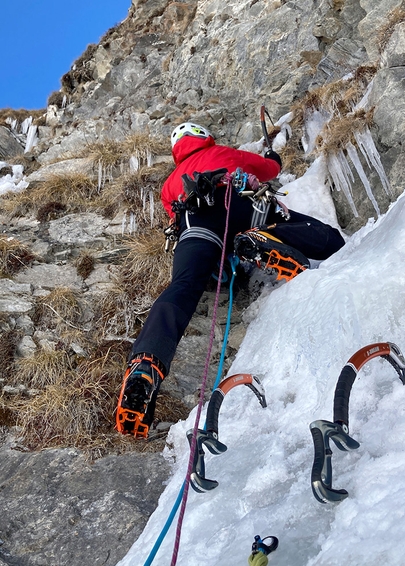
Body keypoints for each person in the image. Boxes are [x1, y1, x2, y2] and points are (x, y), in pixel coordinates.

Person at [116, 122, 345, 438]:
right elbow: (266, 169)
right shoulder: (222, 153)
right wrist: (272, 156)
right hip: (239, 202)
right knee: (325, 237)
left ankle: (145, 367)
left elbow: (172, 213)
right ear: (204, 138)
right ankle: (259, 239)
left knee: (182, 287)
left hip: (193, 221)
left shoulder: (170, 183)